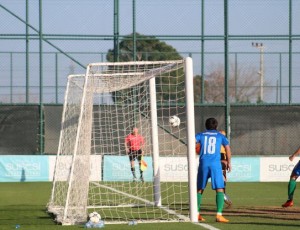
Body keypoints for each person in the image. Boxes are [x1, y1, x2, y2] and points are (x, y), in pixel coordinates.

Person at [195, 118, 232, 223]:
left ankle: (196, 213)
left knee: (199, 189)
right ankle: (219, 215)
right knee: (219, 188)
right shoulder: (221, 136)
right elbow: (227, 148)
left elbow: (192, 144)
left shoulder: (200, 135)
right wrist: (229, 162)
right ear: (216, 126)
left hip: (203, 163)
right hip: (216, 165)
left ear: (206, 126)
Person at [219, 130, 233, 207]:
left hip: (218, 162)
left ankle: (223, 195)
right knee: (222, 180)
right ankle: (223, 195)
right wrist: (228, 163)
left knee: (222, 180)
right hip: (221, 162)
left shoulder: (217, 142)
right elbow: (227, 152)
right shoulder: (224, 142)